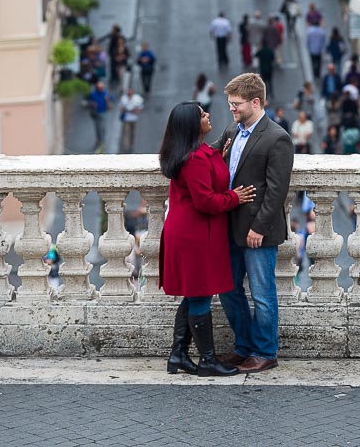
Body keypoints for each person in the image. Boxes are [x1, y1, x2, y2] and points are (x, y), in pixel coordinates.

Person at [158, 102, 256, 377]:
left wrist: (216, 156)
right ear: (192, 125)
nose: (208, 115)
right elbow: (206, 201)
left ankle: (178, 355)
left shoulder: (196, 153)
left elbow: (207, 177)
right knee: (200, 295)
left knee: (193, 295)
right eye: (202, 115)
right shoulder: (195, 158)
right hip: (195, 235)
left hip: (191, 232)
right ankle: (207, 361)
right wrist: (235, 197)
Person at [211, 73, 294, 372]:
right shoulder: (232, 130)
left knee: (262, 294)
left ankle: (265, 352)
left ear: (255, 102)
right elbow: (209, 155)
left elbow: (276, 190)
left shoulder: (277, 137)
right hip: (229, 226)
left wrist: (258, 227)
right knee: (229, 289)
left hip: (259, 231)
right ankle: (243, 347)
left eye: (236, 104)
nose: (232, 109)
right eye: (230, 104)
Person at [89, 79, 113, 152]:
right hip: (95, 113)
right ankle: (99, 140)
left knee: (102, 128)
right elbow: (88, 101)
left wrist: (108, 100)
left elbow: (111, 98)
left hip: (103, 112)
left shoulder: (106, 93)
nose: (100, 89)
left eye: (101, 88)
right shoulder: (93, 94)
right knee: (97, 128)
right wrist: (92, 104)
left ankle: (102, 142)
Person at [118, 86, 144, 153]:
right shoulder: (123, 98)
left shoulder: (137, 98)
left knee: (132, 133)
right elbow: (121, 107)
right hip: (127, 119)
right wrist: (127, 110)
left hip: (134, 119)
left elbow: (140, 108)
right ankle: (126, 147)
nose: (129, 92)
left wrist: (135, 110)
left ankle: (131, 145)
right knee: (127, 133)